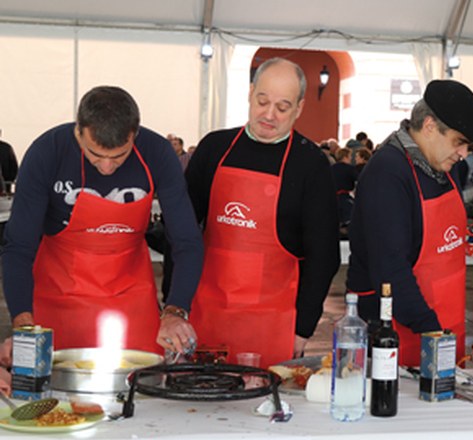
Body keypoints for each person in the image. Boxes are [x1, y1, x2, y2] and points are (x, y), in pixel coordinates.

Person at [2, 86, 203, 354]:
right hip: (57, 297)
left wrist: (176, 310)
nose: (107, 167)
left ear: (135, 134)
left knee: (139, 386)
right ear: (78, 131)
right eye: (95, 154)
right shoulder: (47, 152)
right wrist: (23, 323)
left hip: (131, 300)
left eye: (119, 155)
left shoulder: (157, 153)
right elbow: (18, 246)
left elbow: (187, 241)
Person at [184, 57, 340, 367]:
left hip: (272, 325)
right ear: (251, 92)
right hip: (205, 315)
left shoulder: (311, 165)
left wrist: (303, 328)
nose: (269, 114)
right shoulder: (215, 148)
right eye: (262, 101)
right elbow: (183, 234)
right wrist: (175, 308)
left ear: (299, 108)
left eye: (282, 108)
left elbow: (324, 256)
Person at [346, 79, 473, 366]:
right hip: (396, 327)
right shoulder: (387, 172)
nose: (464, 154)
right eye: (459, 142)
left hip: (443, 319)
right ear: (429, 127)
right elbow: (389, 266)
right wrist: (430, 330)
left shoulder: (444, 167)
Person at [331, 147, 358, 228]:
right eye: (350, 156)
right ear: (345, 156)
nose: (351, 159)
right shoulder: (350, 169)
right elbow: (358, 180)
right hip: (346, 198)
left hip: (333, 199)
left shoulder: (331, 168)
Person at [0, 129, 18, 193]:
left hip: (6, 184)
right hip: (6, 185)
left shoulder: (7, 148)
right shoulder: (7, 148)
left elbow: (14, 166)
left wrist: (10, 179)